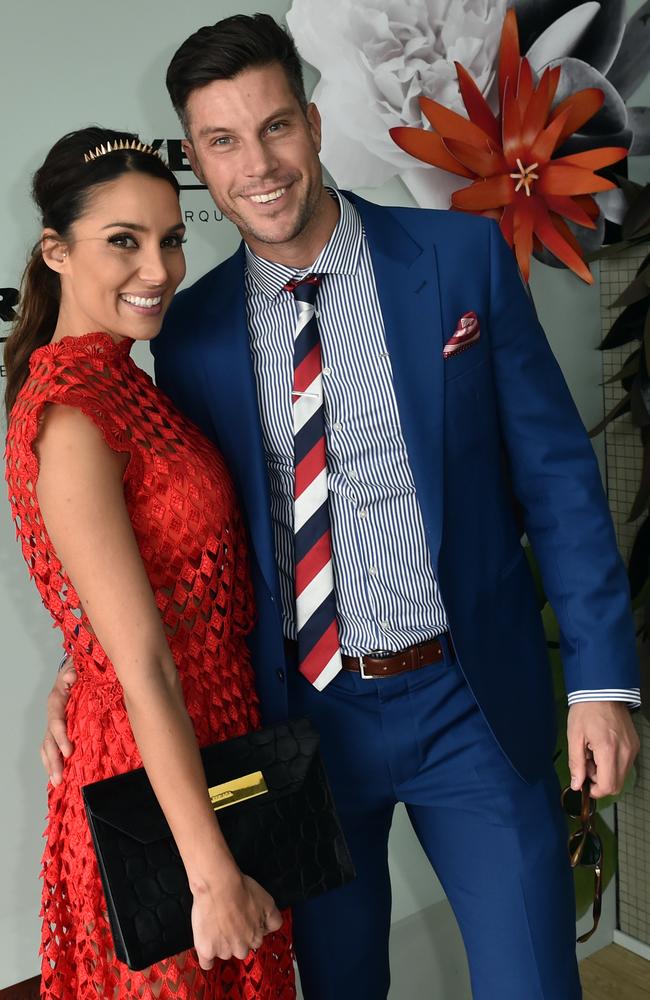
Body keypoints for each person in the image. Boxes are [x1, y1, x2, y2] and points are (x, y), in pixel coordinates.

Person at [42, 15, 641, 1000]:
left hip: (466, 703)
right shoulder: (186, 334)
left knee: (532, 981)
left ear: (313, 126)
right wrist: (85, 650)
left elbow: (556, 475)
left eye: (275, 127)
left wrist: (600, 683)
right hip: (299, 723)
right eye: (223, 142)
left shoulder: (459, 259)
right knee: (338, 984)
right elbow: (181, 522)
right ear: (195, 158)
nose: (258, 165)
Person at [4, 126, 295, 1000]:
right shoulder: (71, 412)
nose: (159, 269)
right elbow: (144, 666)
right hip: (151, 769)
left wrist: (76, 658)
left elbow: (137, 592)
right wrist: (209, 875)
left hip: (213, 740)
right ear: (56, 250)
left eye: (170, 238)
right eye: (122, 242)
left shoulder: (125, 378)